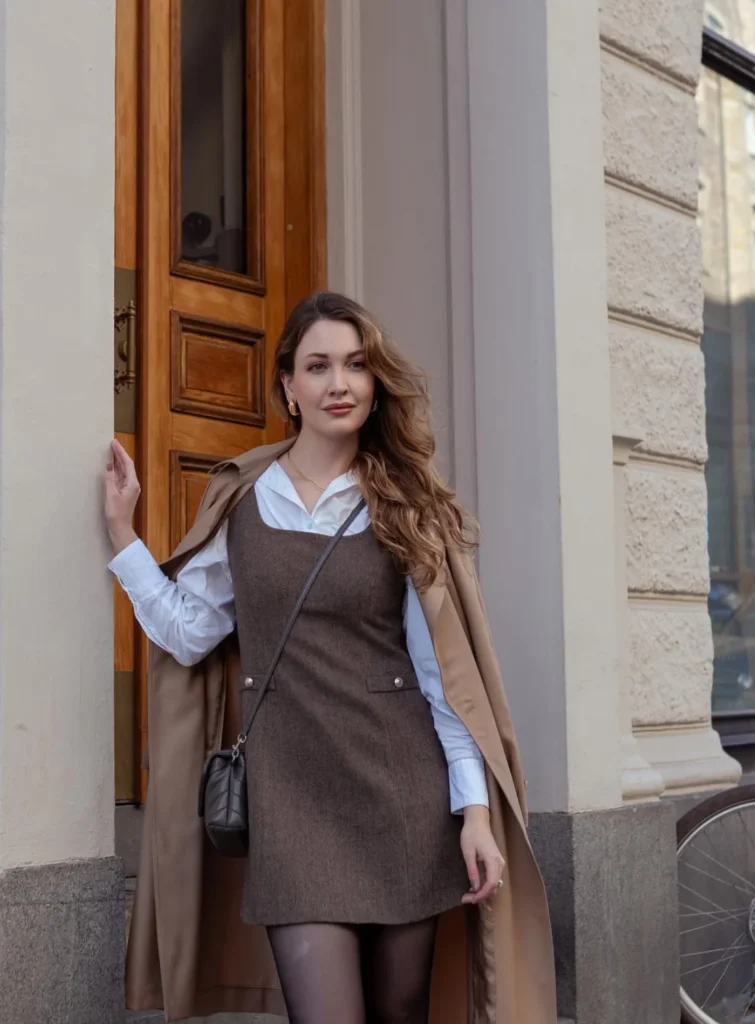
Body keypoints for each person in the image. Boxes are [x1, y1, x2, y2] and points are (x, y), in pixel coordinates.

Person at [105, 291, 556, 1024]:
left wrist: (473, 813)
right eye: (318, 366)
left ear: (375, 385)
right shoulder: (244, 500)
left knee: (399, 1011)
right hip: (290, 797)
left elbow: (442, 681)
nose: (337, 383)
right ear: (287, 384)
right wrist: (123, 539)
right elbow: (190, 633)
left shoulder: (404, 507)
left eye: (354, 365)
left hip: (400, 792)